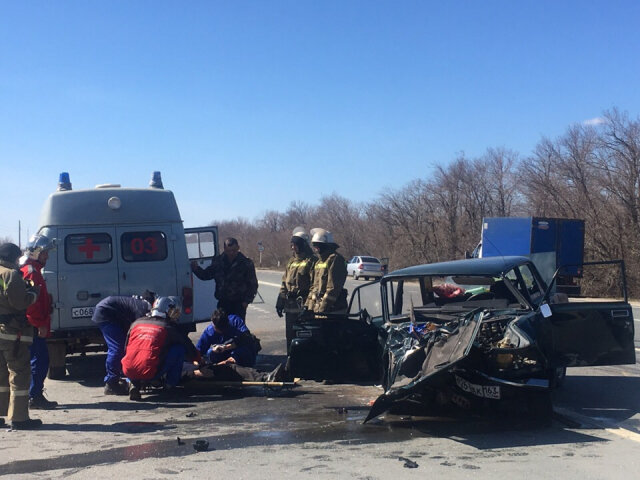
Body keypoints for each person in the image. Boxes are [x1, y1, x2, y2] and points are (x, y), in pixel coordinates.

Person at [122, 296, 201, 401]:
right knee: (179, 349)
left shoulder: (136, 323)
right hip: (150, 371)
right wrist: (199, 360)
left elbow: (126, 348)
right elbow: (188, 347)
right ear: (168, 311)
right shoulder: (168, 327)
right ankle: (170, 385)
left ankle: (133, 383)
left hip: (128, 370)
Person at [0, 242, 41, 429]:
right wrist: (33, 292)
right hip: (11, 332)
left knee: (0, 376)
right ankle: (19, 418)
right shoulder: (11, 274)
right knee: (19, 373)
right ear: (13, 257)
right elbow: (19, 303)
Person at [20, 234, 57, 409]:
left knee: (39, 360)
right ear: (36, 252)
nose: (47, 256)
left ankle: (34, 395)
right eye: (45, 253)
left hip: (34, 324)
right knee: (40, 361)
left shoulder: (33, 271)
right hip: (33, 325)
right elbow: (31, 304)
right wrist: (39, 323)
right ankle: (34, 396)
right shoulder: (31, 272)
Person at [91, 292, 154, 395]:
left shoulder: (141, 305)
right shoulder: (142, 308)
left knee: (125, 347)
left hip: (113, 313)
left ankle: (123, 376)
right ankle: (111, 383)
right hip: (106, 313)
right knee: (117, 348)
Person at [191, 237, 258, 320]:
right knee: (222, 328)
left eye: (234, 250)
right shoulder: (218, 262)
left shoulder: (246, 263)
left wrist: (246, 301)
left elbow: (253, 284)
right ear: (225, 249)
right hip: (223, 302)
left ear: (238, 248)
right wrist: (196, 269)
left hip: (239, 303)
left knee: (238, 329)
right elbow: (206, 275)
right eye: (228, 251)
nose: (231, 253)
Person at [275, 227, 316, 352]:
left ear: (302, 245)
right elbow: (284, 283)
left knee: (305, 337)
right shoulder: (291, 262)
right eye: (291, 245)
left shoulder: (312, 261)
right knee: (290, 337)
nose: (293, 248)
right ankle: (291, 363)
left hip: (304, 306)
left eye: (295, 245)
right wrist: (280, 301)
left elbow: (315, 284)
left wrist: (309, 306)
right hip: (290, 307)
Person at [305, 229, 348, 314]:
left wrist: (322, 309)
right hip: (319, 308)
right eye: (314, 246)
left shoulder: (335, 259)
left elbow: (333, 288)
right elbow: (314, 287)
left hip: (334, 310)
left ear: (325, 245)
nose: (315, 249)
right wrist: (308, 307)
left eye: (317, 246)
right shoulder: (319, 262)